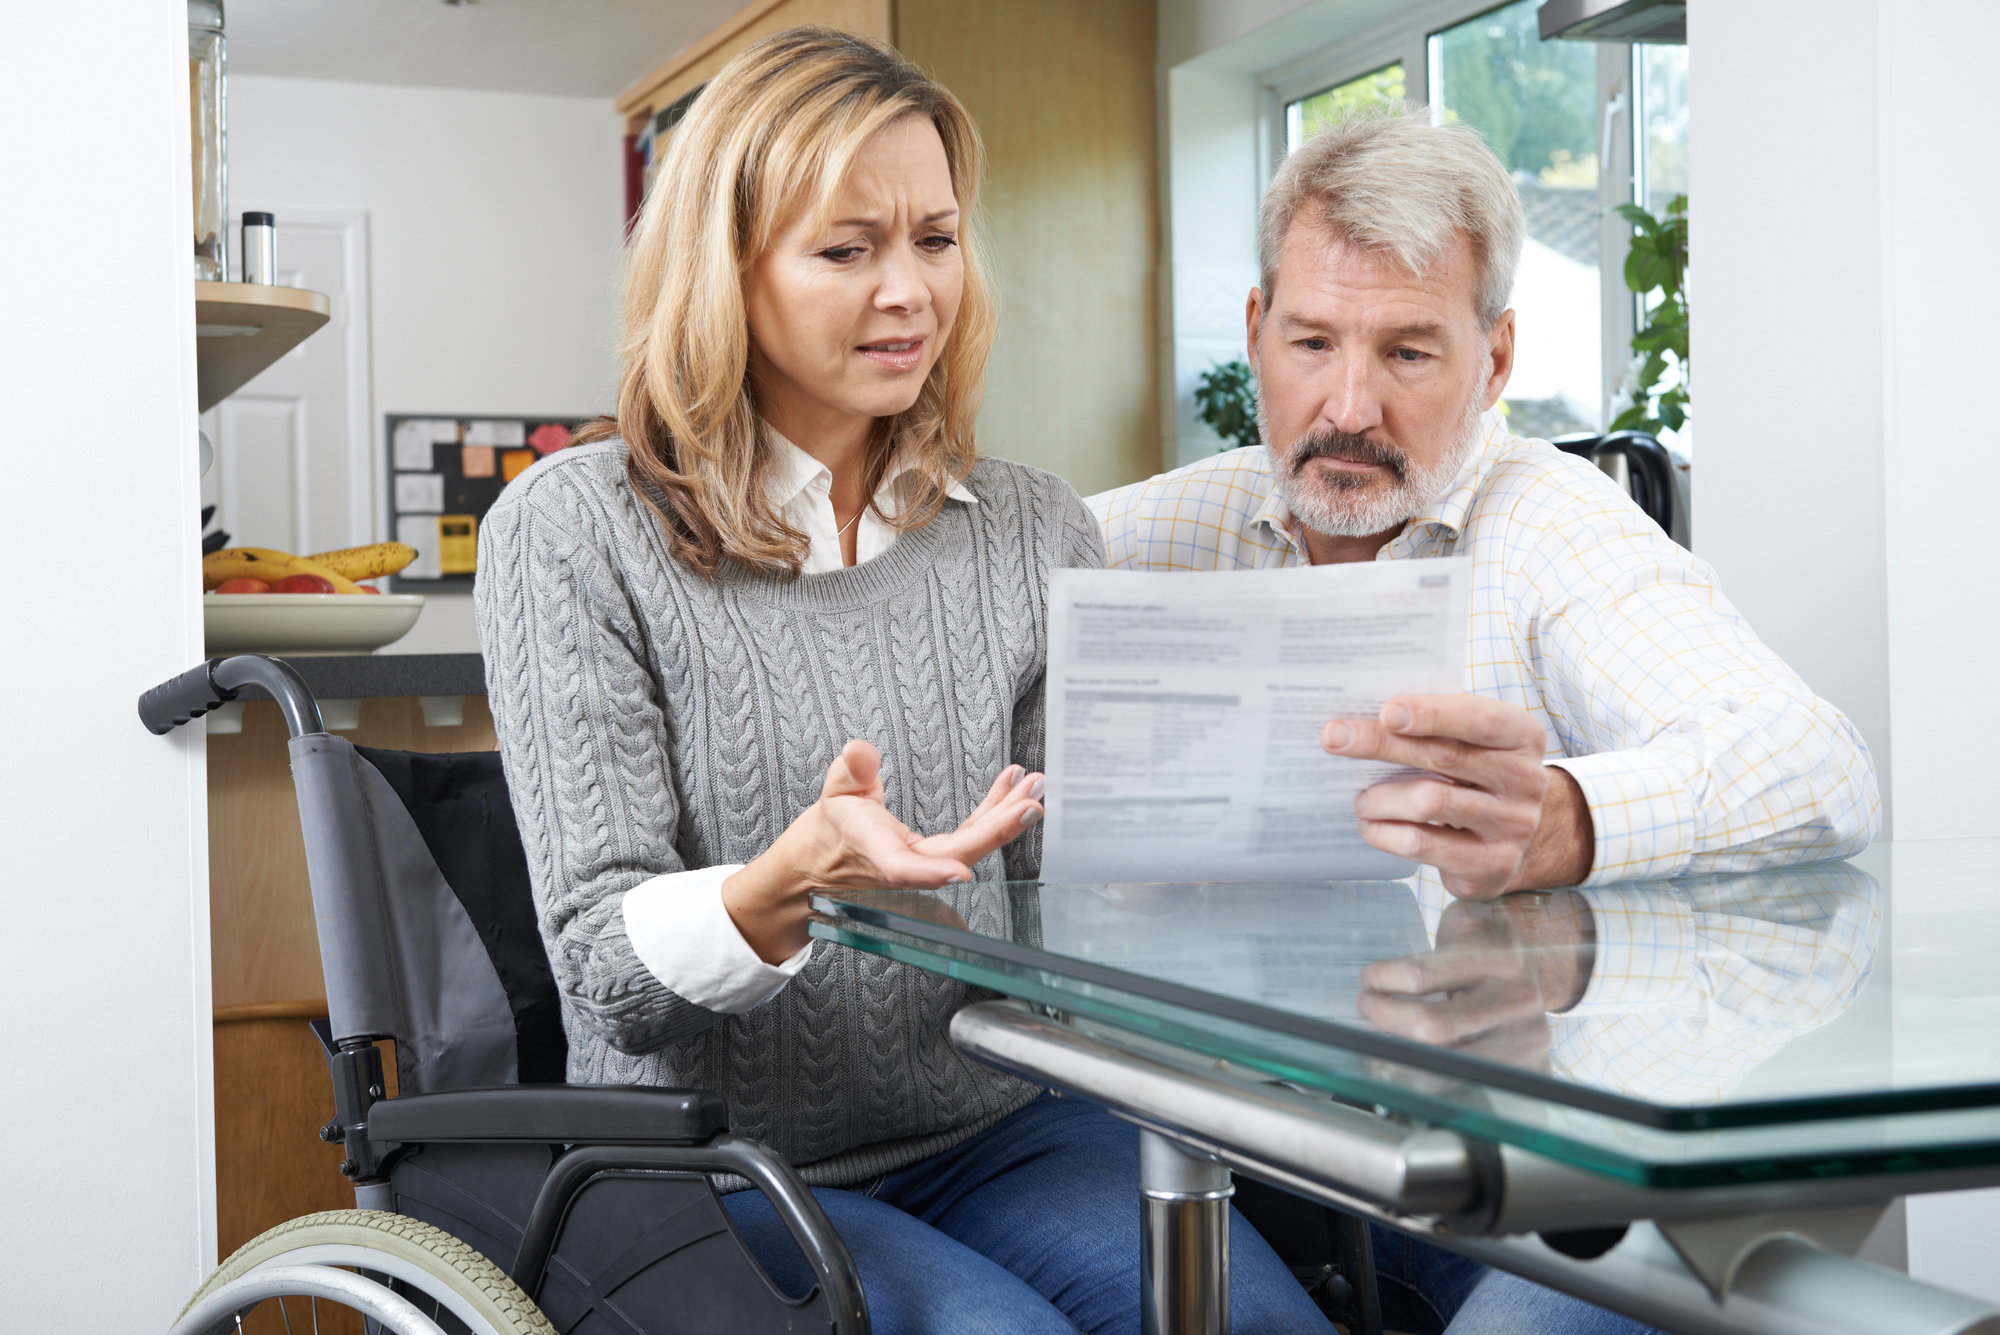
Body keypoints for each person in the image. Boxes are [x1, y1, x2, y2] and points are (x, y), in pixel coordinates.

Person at [475, 27, 1333, 1335]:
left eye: (934, 239)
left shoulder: (1033, 524)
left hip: (1003, 1121)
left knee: (1251, 1323)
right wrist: (788, 884)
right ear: (728, 268)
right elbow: (606, 973)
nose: (910, 291)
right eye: (846, 248)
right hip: (706, 1160)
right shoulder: (573, 528)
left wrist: (1214, 822)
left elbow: (1080, 891)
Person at [1089, 111, 1880, 1333]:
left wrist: (1564, 817)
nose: (1346, 406)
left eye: (1408, 353)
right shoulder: (1148, 535)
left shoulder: (1551, 524)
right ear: (1254, 332)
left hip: (1533, 1159)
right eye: (1310, 341)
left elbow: (1817, 766)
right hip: (1253, 1141)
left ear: (1495, 358)